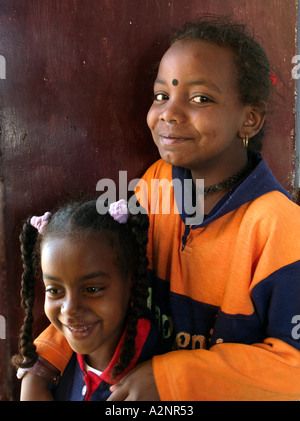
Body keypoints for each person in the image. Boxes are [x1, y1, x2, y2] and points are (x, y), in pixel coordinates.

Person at [15, 14, 300, 401]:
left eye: (200, 98)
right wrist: (46, 358)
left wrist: (173, 379)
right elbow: (94, 278)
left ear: (249, 119)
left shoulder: (278, 226)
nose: (169, 113)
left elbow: (293, 368)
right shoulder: (156, 183)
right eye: (162, 95)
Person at [13, 199, 163, 401]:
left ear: (131, 280)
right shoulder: (56, 364)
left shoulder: (152, 379)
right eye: (54, 290)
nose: (70, 309)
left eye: (91, 289)